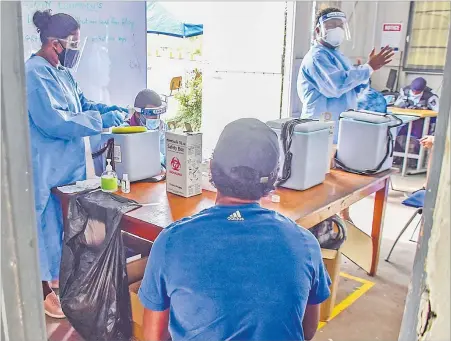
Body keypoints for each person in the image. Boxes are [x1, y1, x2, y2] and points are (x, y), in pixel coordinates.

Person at [139, 118, 331, 341]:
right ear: (275, 178)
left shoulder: (171, 242)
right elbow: (306, 332)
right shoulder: (305, 244)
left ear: (210, 167)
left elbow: (154, 337)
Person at [26, 10, 127, 318]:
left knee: (65, 228)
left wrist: (109, 109)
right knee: (45, 228)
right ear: (55, 43)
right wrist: (99, 120)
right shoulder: (34, 74)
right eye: (73, 44)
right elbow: (55, 122)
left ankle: (62, 286)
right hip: (46, 167)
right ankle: (45, 291)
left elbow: (82, 104)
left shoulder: (63, 73)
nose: (76, 51)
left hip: (68, 170)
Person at [298, 7, 393, 223]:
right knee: (319, 179)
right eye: (331, 26)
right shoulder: (317, 57)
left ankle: (338, 217)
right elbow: (336, 86)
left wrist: (365, 73)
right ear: (317, 30)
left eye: (340, 26)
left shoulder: (338, 57)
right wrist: (367, 68)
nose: (337, 30)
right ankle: (319, 222)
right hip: (319, 128)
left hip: (338, 130)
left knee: (336, 178)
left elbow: (354, 90)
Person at [393, 78, 439, 167]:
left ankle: (414, 160)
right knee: (394, 134)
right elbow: (397, 105)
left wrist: (422, 109)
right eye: (413, 91)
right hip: (405, 120)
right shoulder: (405, 91)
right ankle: (398, 157)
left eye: (417, 92)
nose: (414, 93)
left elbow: (437, 112)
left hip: (420, 123)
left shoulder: (430, 96)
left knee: (417, 139)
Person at [128, 89, 168, 166]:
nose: (156, 118)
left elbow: (166, 155)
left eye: (158, 114)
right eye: (151, 114)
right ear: (137, 114)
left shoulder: (162, 128)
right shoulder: (125, 132)